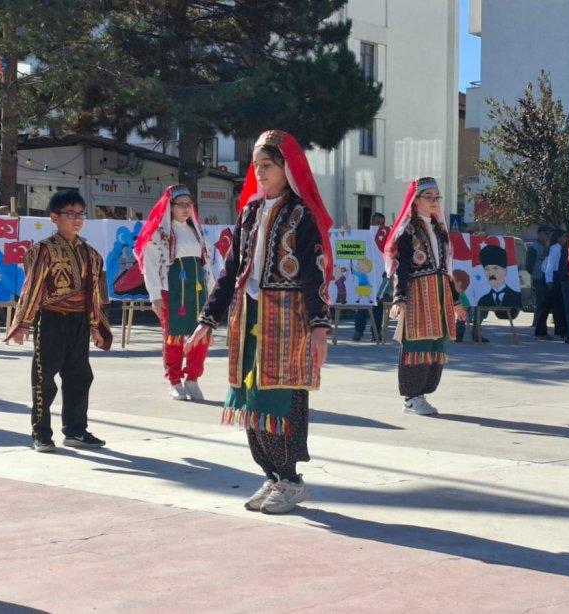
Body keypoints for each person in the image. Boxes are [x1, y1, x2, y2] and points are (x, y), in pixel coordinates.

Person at [186, 130, 332, 515]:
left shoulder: (302, 215)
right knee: (250, 398)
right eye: (256, 166)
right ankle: (271, 473)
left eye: (266, 165)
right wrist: (207, 319)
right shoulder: (250, 211)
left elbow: (316, 273)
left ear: (286, 168)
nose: (259, 172)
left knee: (280, 397)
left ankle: (291, 480)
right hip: (248, 316)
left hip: (288, 320)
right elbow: (230, 269)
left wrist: (319, 327)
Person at [6, 190, 113, 452]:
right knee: (44, 378)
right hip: (52, 320)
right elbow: (32, 288)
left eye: (80, 214)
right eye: (70, 214)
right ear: (54, 217)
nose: (77, 219)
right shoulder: (42, 250)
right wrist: (23, 323)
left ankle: (76, 430)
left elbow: (95, 295)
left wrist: (97, 326)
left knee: (80, 376)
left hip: (79, 323)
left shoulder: (92, 254)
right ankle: (40, 433)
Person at [383, 177, 465, 415]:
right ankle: (411, 397)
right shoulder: (409, 230)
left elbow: (446, 270)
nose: (434, 202)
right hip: (418, 292)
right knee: (417, 342)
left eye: (437, 197)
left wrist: (456, 301)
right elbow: (403, 265)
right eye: (429, 197)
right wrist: (400, 297)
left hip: (439, 292)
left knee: (436, 343)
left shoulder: (440, 230)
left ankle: (422, 394)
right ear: (415, 200)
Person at [134, 184, 210, 401]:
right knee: (173, 337)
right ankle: (175, 381)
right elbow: (149, 265)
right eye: (181, 205)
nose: (186, 209)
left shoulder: (197, 231)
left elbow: (208, 262)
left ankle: (193, 379)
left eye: (189, 204)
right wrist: (155, 296)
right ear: (171, 206)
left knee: (202, 334)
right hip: (172, 291)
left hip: (197, 290)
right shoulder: (159, 233)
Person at [353, 212, 388, 341]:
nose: (380, 226)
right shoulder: (364, 237)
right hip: (366, 278)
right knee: (363, 306)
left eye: (382, 223)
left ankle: (376, 333)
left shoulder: (386, 238)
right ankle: (358, 331)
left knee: (378, 308)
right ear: (371, 224)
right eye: (378, 223)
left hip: (379, 279)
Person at [476, 243, 521, 319]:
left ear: (505, 271)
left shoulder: (515, 297)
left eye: (495, 268)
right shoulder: (482, 300)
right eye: (487, 269)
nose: (491, 273)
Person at [541, 229, 569, 340]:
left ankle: (560, 330)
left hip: (554, 276)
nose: (565, 239)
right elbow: (550, 266)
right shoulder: (556, 248)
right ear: (559, 238)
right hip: (552, 277)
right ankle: (541, 331)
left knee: (557, 306)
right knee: (549, 306)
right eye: (563, 237)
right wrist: (549, 281)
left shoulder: (556, 248)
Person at [529, 225, 554, 337]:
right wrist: (535, 275)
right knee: (541, 304)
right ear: (539, 234)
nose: (548, 236)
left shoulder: (549, 246)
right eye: (546, 233)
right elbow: (528, 265)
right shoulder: (533, 248)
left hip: (547, 278)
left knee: (544, 304)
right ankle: (539, 329)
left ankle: (539, 326)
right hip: (539, 278)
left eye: (549, 234)